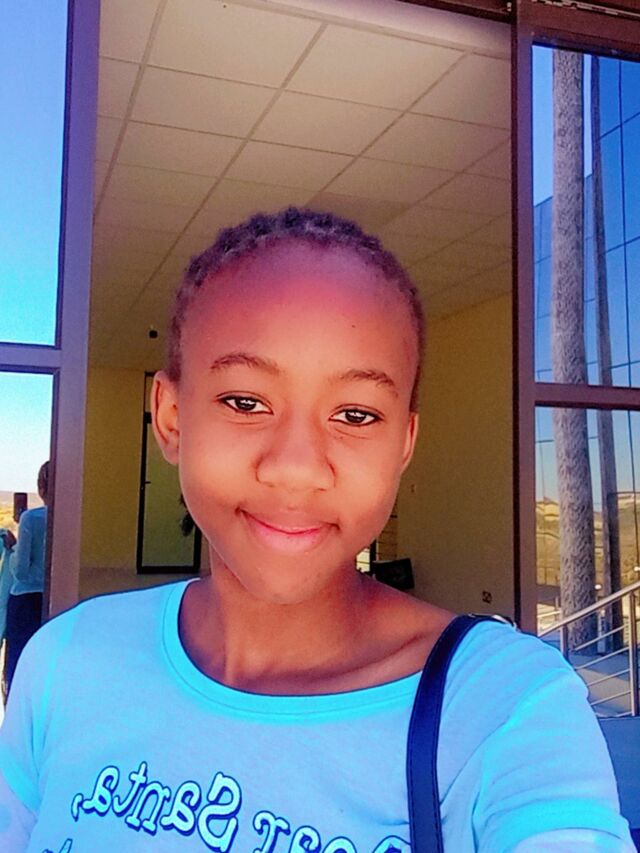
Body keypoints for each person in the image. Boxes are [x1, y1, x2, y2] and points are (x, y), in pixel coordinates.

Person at [0, 208, 634, 851]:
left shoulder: (504, 707)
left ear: (404, 444)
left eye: (355, 415)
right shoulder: (64, 664)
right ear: (171, 418)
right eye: (245, 402)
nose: (297, 469)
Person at [4, 463, 49, 697]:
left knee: (18, 664)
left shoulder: (31, 519)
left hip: (25, 601)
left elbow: (21, 572)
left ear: (41, 486)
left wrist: (13, 549)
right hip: (53, 599)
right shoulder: (72, 518)